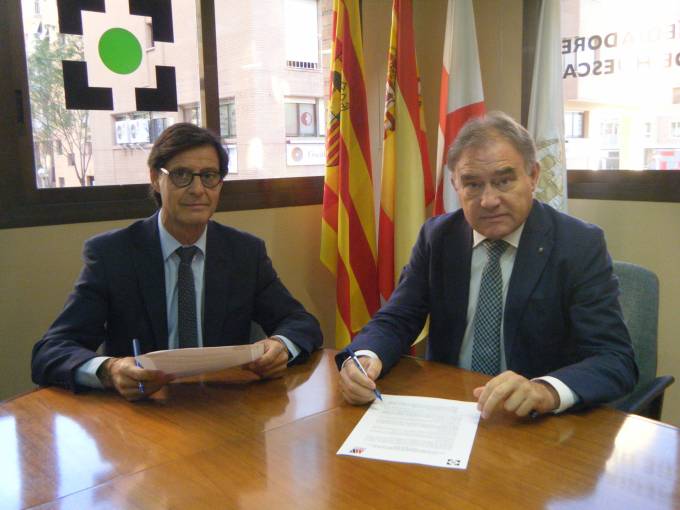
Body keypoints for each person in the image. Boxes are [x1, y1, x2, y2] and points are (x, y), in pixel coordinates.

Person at [338, 112, 637, 418]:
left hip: (535, 422)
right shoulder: (438, 237)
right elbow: (398, 318)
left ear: (533, 176)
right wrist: (365, 356)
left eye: (504, 181)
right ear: (455, 185)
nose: (489, 201)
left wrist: (545, 390)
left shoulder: (578, 244)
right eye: (472, 185)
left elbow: (614, 358)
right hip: (451, 409)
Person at [32, 123, 323, 400]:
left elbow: (300, 323)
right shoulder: (113, 255)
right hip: (143, 411)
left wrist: (280, 346)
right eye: (181, 175)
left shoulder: (245, 253)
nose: (197, 189)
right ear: (155, 179)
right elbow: (51, 350)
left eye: (209, 176)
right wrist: (110, 370)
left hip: (226, 407)